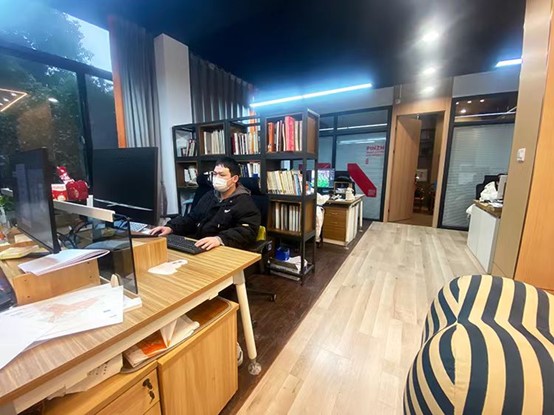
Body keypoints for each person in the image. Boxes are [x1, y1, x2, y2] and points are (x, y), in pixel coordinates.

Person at [150, 157, 261, 250]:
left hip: (223, 249)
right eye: (215, 174)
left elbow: (247, 232)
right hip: (200, 244)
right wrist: (171, 227)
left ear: (234, 179)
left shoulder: (245, 202)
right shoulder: (210, 196)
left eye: (222, 175)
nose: (217, 178)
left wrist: (219, 239)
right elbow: (192, 218)